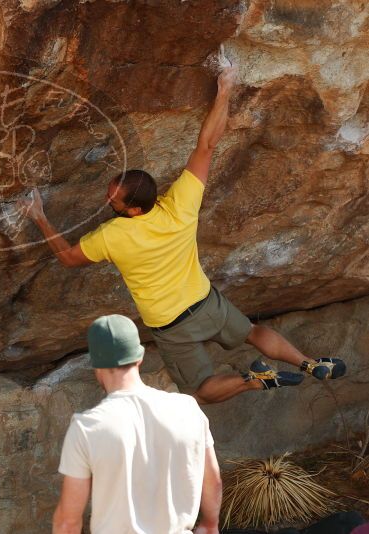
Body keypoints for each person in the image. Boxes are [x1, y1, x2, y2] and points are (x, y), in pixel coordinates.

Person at [18, 66, 346, 404]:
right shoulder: (180, 206)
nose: (107, 199)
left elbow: (69, 259)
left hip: (172, 324)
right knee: (251, 332)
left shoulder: (112, 235)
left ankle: (252, 381)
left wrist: (39, 216)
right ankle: (310, 363)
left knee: (200, 390)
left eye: (112, 197)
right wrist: (224, 90)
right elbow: (207, 144)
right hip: (205, 302)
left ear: (131, 209)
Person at [53, 314, 222, 534]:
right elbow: (213, 482)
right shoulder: (188, 409)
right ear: (139, 358)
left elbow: (68, 523)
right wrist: (210, 524)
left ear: (96, 366)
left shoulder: (87, 427)